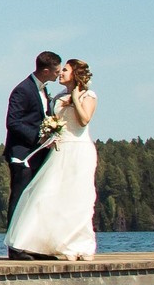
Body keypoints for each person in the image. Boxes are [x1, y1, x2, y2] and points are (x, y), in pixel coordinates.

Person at [7, 59, 98, 260]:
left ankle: (78, 243)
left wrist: (75, 98)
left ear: (75, 74)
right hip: (59, 150)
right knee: (49, 195)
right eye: (60, 69)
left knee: (78, 197)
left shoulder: (88, 95)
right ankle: (46, 243)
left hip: (79, 150)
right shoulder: (57, 97)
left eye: (65, 70)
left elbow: (83, 120)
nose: (60, 73)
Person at [4, 53, 63, 218]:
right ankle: (14, 234)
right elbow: (13, 122)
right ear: (46, 71)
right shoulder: (22, 90)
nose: (59, 74)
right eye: (56, 71)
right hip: (23, 154)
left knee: (35, 199)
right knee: (19, 199)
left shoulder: (43, 89)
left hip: (38, 154)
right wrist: (39, 137)